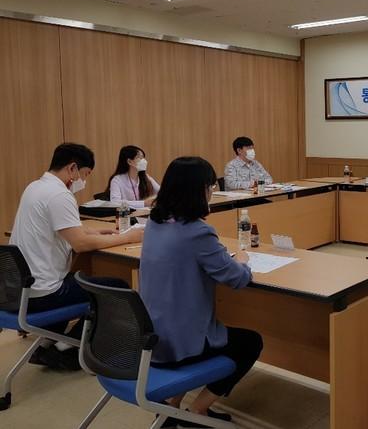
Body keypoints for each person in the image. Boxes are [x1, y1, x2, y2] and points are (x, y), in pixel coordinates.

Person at [140, 156, 263, 425]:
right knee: (250, 343)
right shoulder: (197, 232)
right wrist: (242, 260)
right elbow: (237, 279)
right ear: (199, 191)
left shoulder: (154, 223)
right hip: (181, 340)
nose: (211, 192)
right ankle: (199, 409)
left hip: (153, 335)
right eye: (210, 187)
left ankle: (171, 406)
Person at [9, 143, 143, 369]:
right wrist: (128, 237)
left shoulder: (35, 187)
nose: (83, 181)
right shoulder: (59, 194)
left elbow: (65, 228)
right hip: (43, 292)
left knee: (78, 278)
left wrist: (94, 231)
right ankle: (68, 349)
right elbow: (80, 244)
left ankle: (45, 346)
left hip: (19, 290)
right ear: (72, 168)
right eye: (85, 174)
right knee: (117, 288)